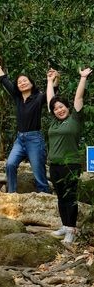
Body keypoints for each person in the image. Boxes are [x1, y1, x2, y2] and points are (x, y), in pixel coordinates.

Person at [0, 51, 48, 193]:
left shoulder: (39, 98)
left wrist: (54, 80)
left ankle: (46, 196)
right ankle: (11, 194)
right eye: (19, 82)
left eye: (25, 80)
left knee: (38, 171)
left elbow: (52, 95)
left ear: (31, 83)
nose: (22, 83)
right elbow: (4, 80)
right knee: (10, 164)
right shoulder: (17, 97)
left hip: (34, 138)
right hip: (20, 138)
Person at [46, 68, 89, 245]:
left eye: (61, 107)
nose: (58, 110)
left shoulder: (74, 120)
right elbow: (50, 100)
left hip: (70, 164)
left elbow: (78, 98)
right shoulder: (54, 121)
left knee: (70, 198)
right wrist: (50, 81)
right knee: (60, 196)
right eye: (56, 109)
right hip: (54, 164)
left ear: (68, 108)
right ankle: (65, 226)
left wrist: (83, 77)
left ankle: (72, 230)